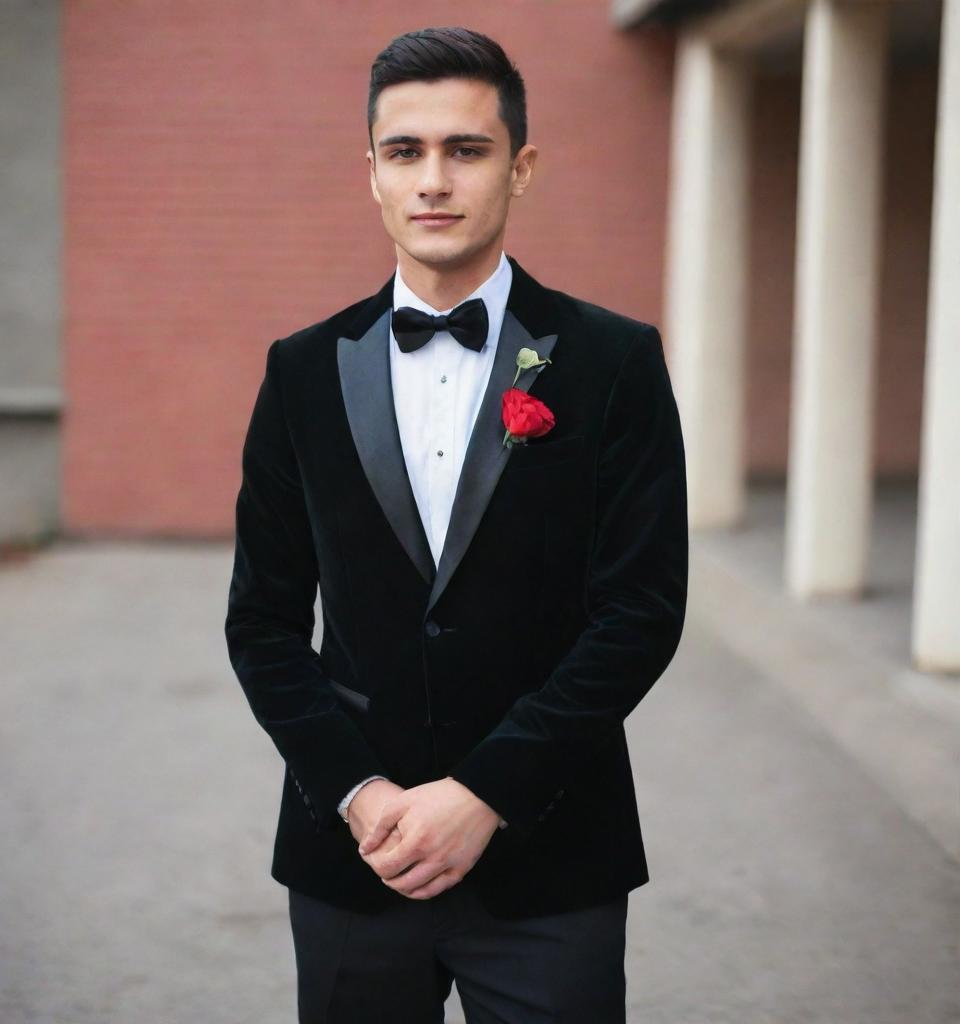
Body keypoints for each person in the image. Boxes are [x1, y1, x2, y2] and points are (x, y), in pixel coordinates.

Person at [224, 25, 688, 1023]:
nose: (432, 179)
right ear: (373, 175)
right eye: (406, 151)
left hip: (552, 861)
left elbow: (639, 613)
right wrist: (358, 792)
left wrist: (484, 793)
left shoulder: (613, 363)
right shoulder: (299, 370)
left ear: (520, 168)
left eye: (465, 150)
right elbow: (261, 622)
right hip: (355, 860)